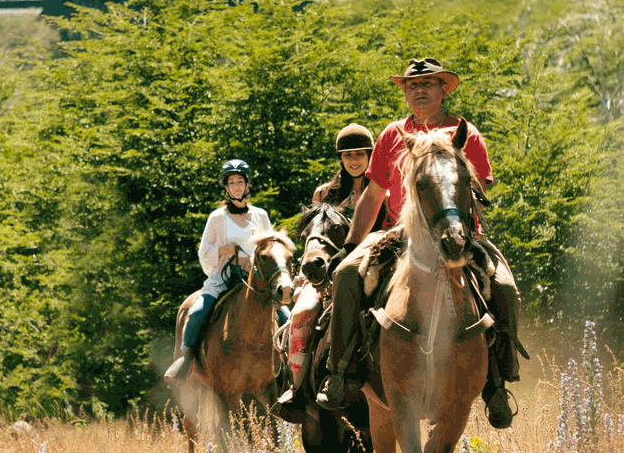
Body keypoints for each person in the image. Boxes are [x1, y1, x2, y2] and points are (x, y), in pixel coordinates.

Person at [315, 58, 528, 430]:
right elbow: (375, 194)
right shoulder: (392, 134)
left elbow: (478, 186)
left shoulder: (464, 132)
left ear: (443, 89)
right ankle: (340, 372)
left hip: (458, 230)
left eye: (428, 83)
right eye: (412, 85)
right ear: (404, 92)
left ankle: (498, 381)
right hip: (401, 233)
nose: (420, 90)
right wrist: (351, 245)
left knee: (505, 288)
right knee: (347, 274)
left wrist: (460, 227)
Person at [271, 123, 385, 423]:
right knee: (301, 314)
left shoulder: (383, 190)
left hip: (373, 267)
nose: (354, 160)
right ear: (340, 158)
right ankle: (295, 390)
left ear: (371, 155)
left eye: (360, 154)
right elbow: (314, 235)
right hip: (326, 274)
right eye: (347, 155)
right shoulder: (325, 193)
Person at [164, 159, 290, 382]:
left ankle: (290, 361)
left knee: (286, 315)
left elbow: (271, 248)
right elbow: (204, 253)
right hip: (224, 278)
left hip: (256, 280)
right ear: (226, 187)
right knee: (197, 311)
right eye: (231, 182)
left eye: (240, 181)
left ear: (247, 185)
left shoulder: (260, 215)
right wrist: (224, 249)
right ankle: (186, 357)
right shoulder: (216, 217)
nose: (236, 186)